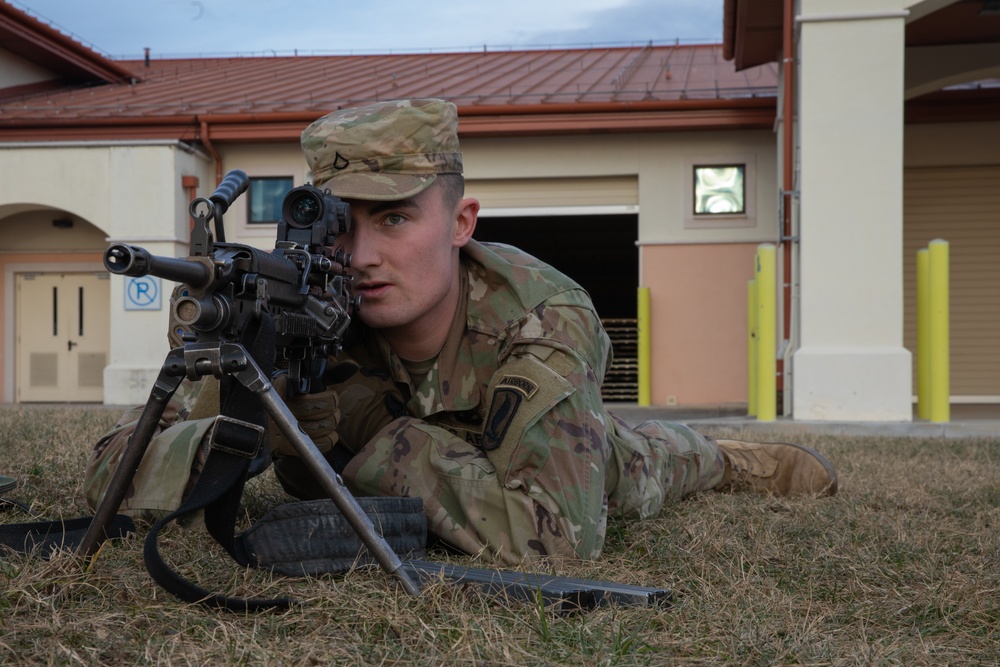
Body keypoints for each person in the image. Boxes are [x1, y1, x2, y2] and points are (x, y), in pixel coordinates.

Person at [85, 98, 837, 565]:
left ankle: (732, 459)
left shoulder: (544, 314)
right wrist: (254, 439)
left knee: (637, 464)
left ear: (461, 222)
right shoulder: (288, 302)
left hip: (538, 446)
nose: (365, 254)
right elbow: (113, 468)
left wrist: (365, 431)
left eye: (396, 217)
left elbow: (556, 540)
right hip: (445, 469)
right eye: (343, 225)